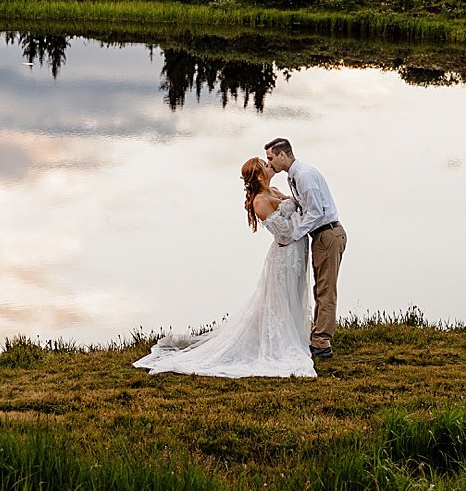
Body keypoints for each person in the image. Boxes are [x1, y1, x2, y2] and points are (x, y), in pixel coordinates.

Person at [132, 158, 316, 377]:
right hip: (285, 255)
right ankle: (280, 342)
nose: (270, 165)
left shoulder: (275, 190)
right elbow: (283, 232)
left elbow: (295, 208)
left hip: (296, 251)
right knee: (282, 298)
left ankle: (294, 335)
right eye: (265, 165)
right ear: (259, 176)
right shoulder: (260, 201)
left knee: (294, 294)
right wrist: (301, 218)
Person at [264, 137, 345, 360]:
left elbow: (316, 212)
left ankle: (322, 343)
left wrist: (294, 235)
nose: (269, 163)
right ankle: (318, 337)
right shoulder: (295, 176)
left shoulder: (304, 175)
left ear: (283, 155)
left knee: (325, 289)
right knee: (320, 287)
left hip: (328, 235)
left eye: (271, 158)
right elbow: (305, 204)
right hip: (321, 236)